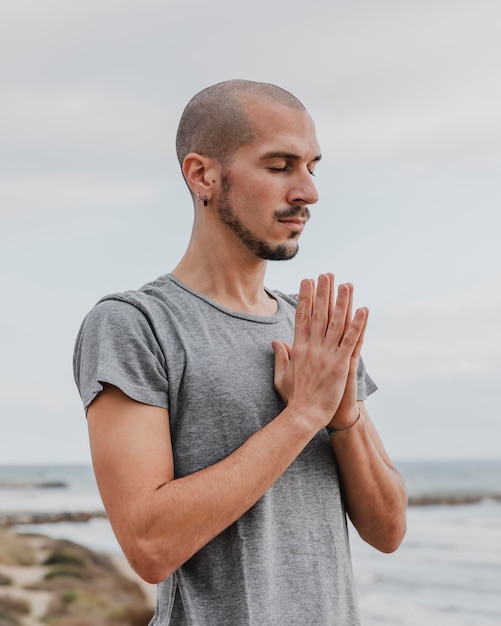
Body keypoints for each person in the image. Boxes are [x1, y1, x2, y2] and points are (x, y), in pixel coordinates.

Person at [73, 79, 407, 625]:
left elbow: (389, 531)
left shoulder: (314, 326)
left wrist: (342, 415)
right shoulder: (135, 325)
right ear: (202, 175)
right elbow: (149, 545)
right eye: (279, 166)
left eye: (312, 167)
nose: (308, 192)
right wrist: (301, 417)